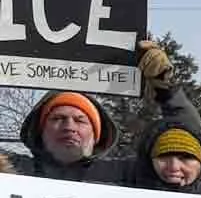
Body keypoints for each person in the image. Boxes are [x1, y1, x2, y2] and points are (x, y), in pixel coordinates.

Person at [13, 40, 181, 184]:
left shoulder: (126, 175)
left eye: (80, 120)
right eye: (58, 118)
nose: (69, 127)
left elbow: (188, 147)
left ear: (97, 135)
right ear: (40, 130)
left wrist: (165, 88)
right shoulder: (11, 169)